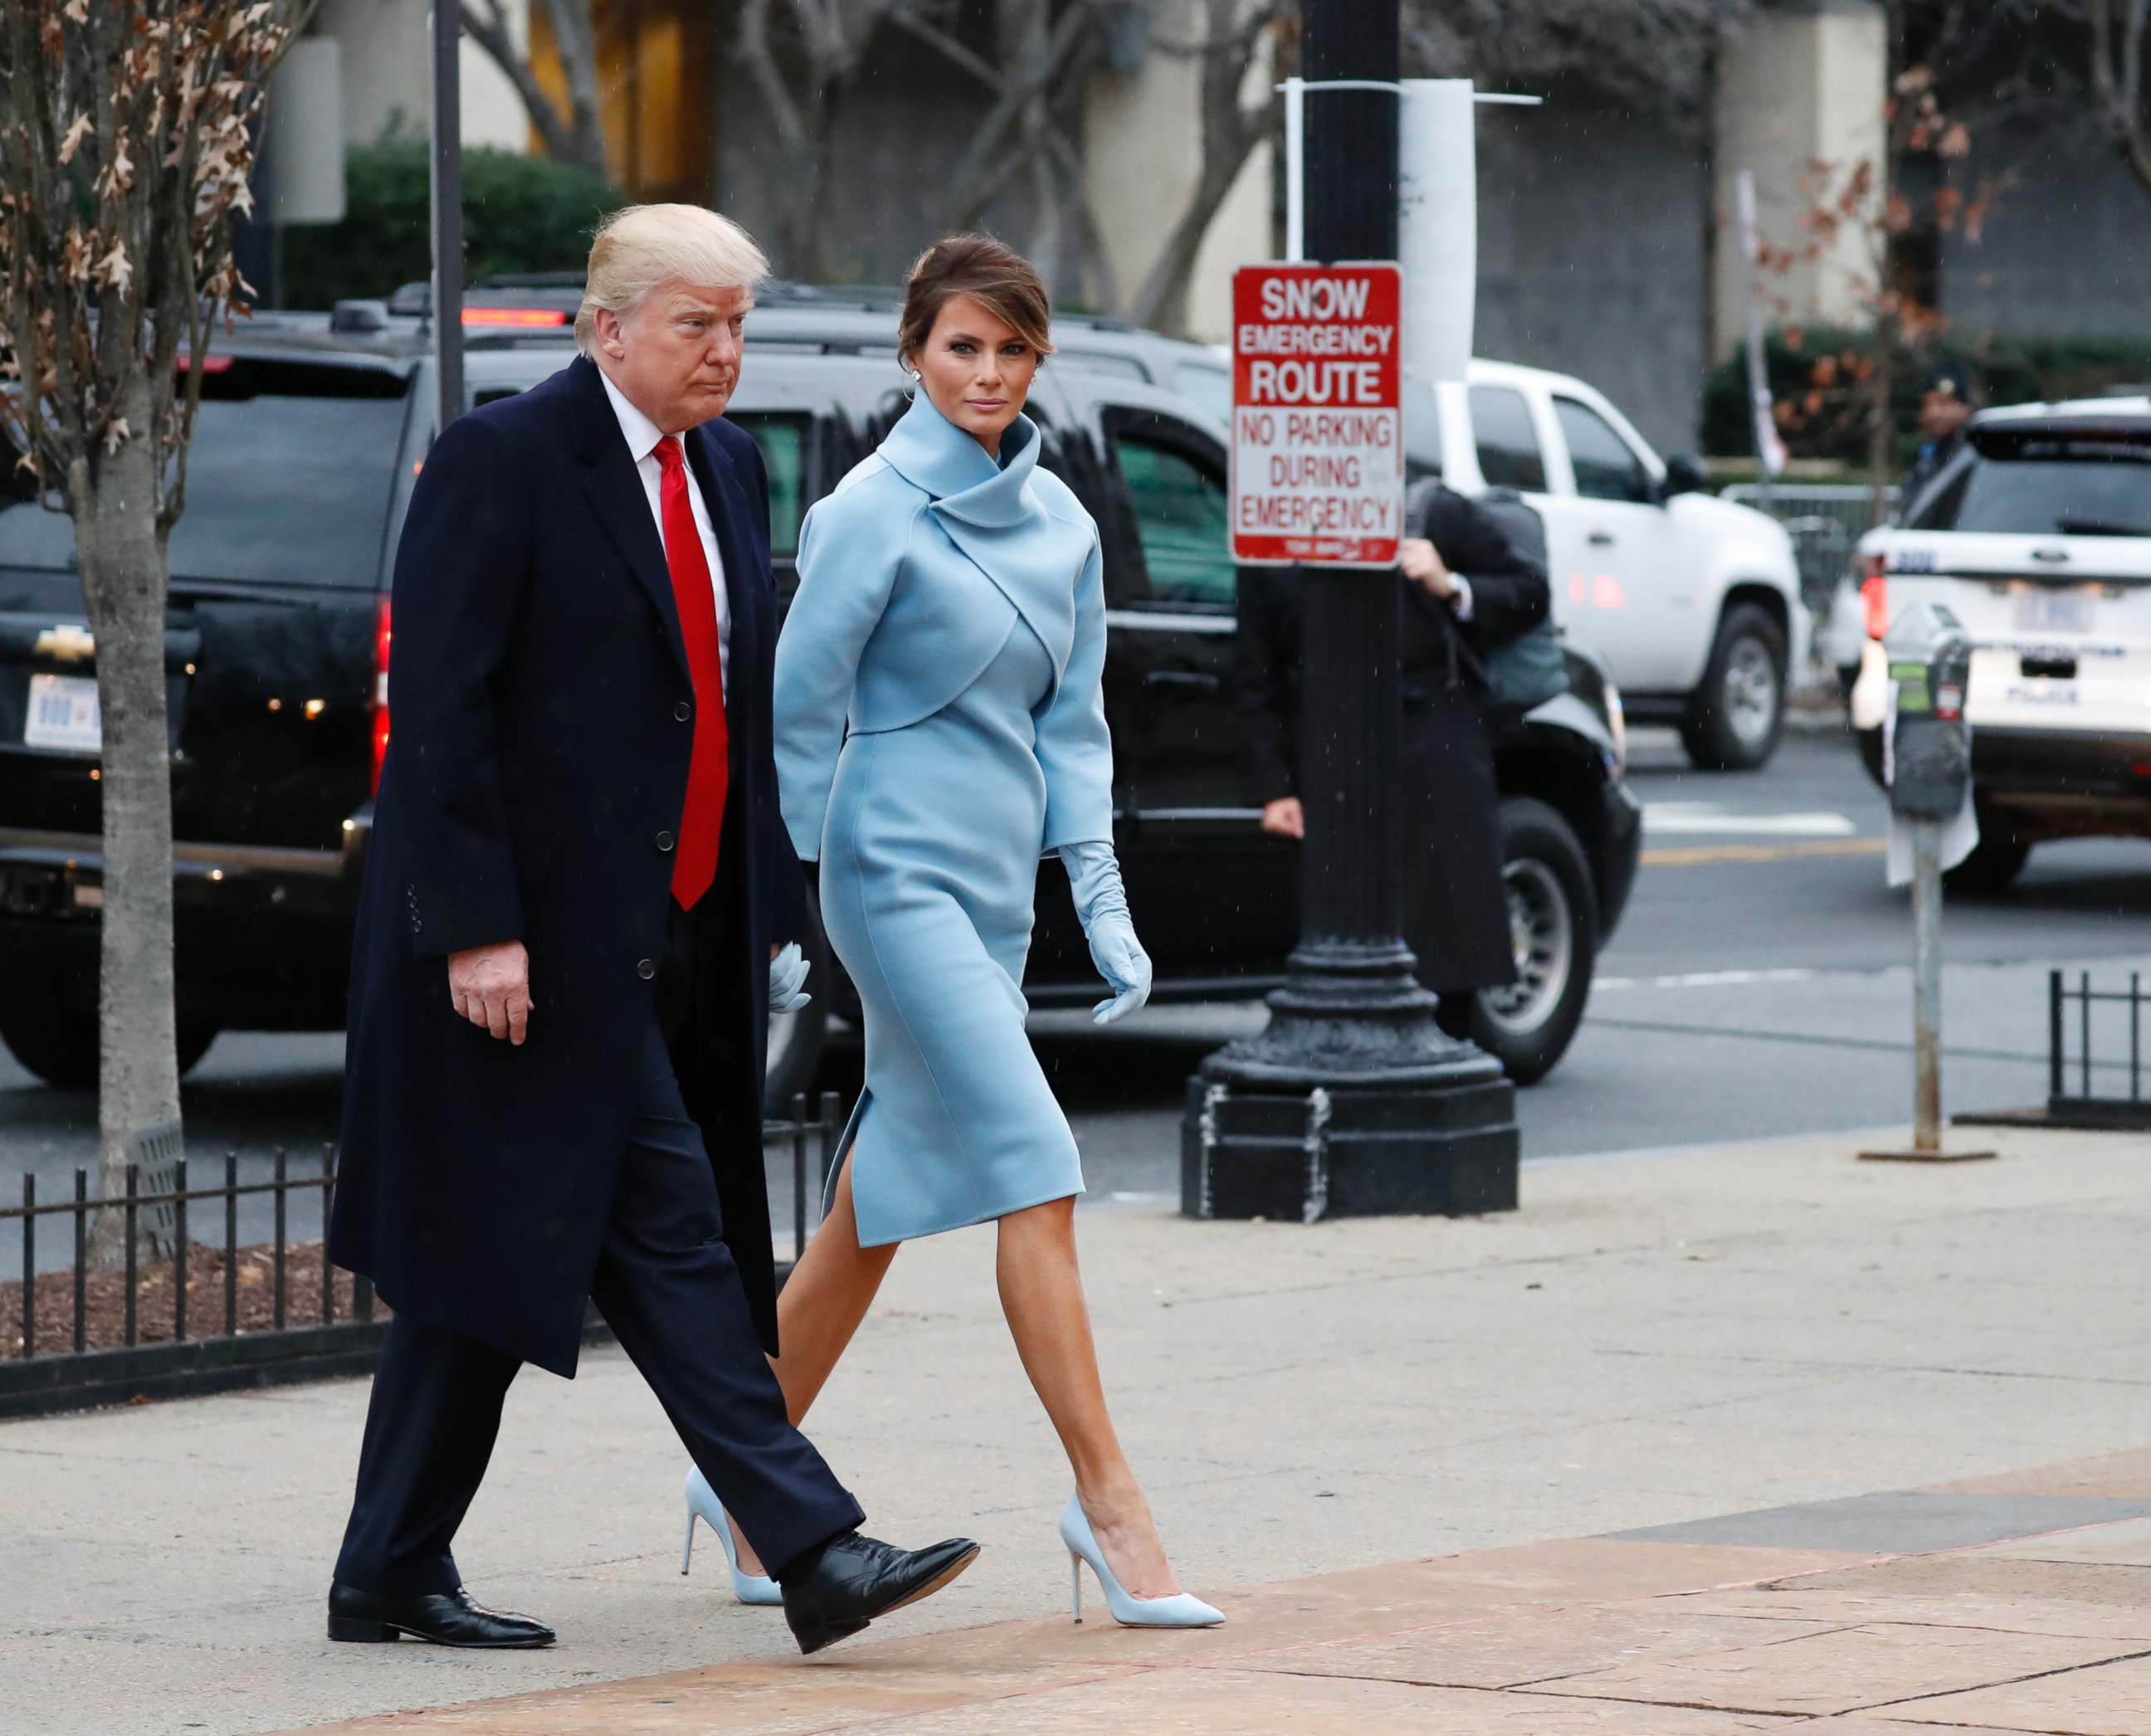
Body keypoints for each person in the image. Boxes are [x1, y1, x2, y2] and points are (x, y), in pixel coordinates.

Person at [324, 204, 978, 1658]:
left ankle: (384, 1566)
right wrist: (475, 932)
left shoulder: (730, 467)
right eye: (697, 325)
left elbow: (725, 705)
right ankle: (814, 1544)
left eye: (737, 326)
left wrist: (761, 915)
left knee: (493, 1255)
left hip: (675, 937)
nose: (724, 353)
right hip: (534, 955)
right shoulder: (501, 464)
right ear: (605, 326)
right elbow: (439, 719)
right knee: (669, 1231)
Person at [713, 233, 1220, 1631]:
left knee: (876, 1204)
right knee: (1033, 1163)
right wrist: (807, 892)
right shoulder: (868, 511)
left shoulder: (1060, 520)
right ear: (915, 354)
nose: (986, 372)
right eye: (960, 347)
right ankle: (1108, 1500)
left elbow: (1075, 723)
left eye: (1009, 350)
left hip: (993, 884)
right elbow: (797, 711)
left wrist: (1101, 897)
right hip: (890, 872)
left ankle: (747, 1470)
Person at [1236, 481, 1550, 1015]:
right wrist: (1275, 787)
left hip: (1433, 733)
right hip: (1331, 750)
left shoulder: (1427, 510)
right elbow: (1255, 676)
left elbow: (1529, 591)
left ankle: (1448, 1057)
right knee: (1344, 943)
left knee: (1447, 941)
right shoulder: (1275, 528)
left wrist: (1453, 584)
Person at [1903, 359, 1976, 505]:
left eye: (1943, 404)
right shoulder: (1929, 453)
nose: (1933, 412)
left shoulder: (1978, 453)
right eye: (1927, 405)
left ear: (1966, 409)